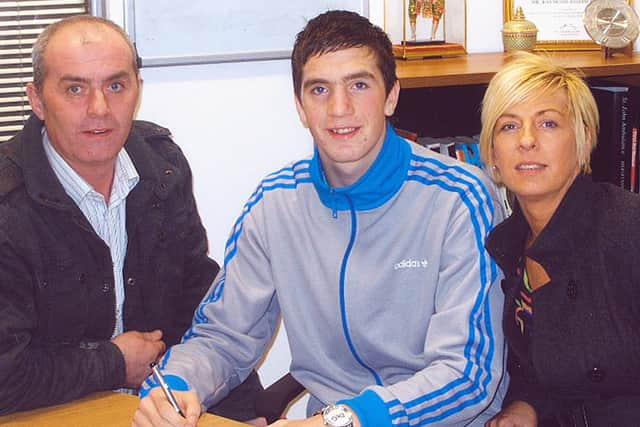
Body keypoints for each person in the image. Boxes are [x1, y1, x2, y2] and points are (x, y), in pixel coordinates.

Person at [134, 10, 507, 427]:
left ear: (391, 97)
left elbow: (467, 377)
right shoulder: (275, 204)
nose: (339, 108)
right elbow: (222, 338)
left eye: (359, 85)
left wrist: (347, 419)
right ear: (300, 106)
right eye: (319, 90)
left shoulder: (460, 199)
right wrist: (174, 387)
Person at [0, 15, 263, 422]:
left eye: (116, 86)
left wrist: (245, 415)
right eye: (75, 89)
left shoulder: (162, 166)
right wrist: (114, 364)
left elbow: (200, 305)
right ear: (36, 100)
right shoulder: (7, 204)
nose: (100, 109)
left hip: (155, 408)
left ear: (137, 88)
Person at [480, 51, 640, 426]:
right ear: (491, 153)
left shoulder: (628, 229)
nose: (527, 141)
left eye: (548, 123)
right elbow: (547, 368)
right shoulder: (507, 244)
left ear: (583, 139)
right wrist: (526, 407)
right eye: (508, 127)